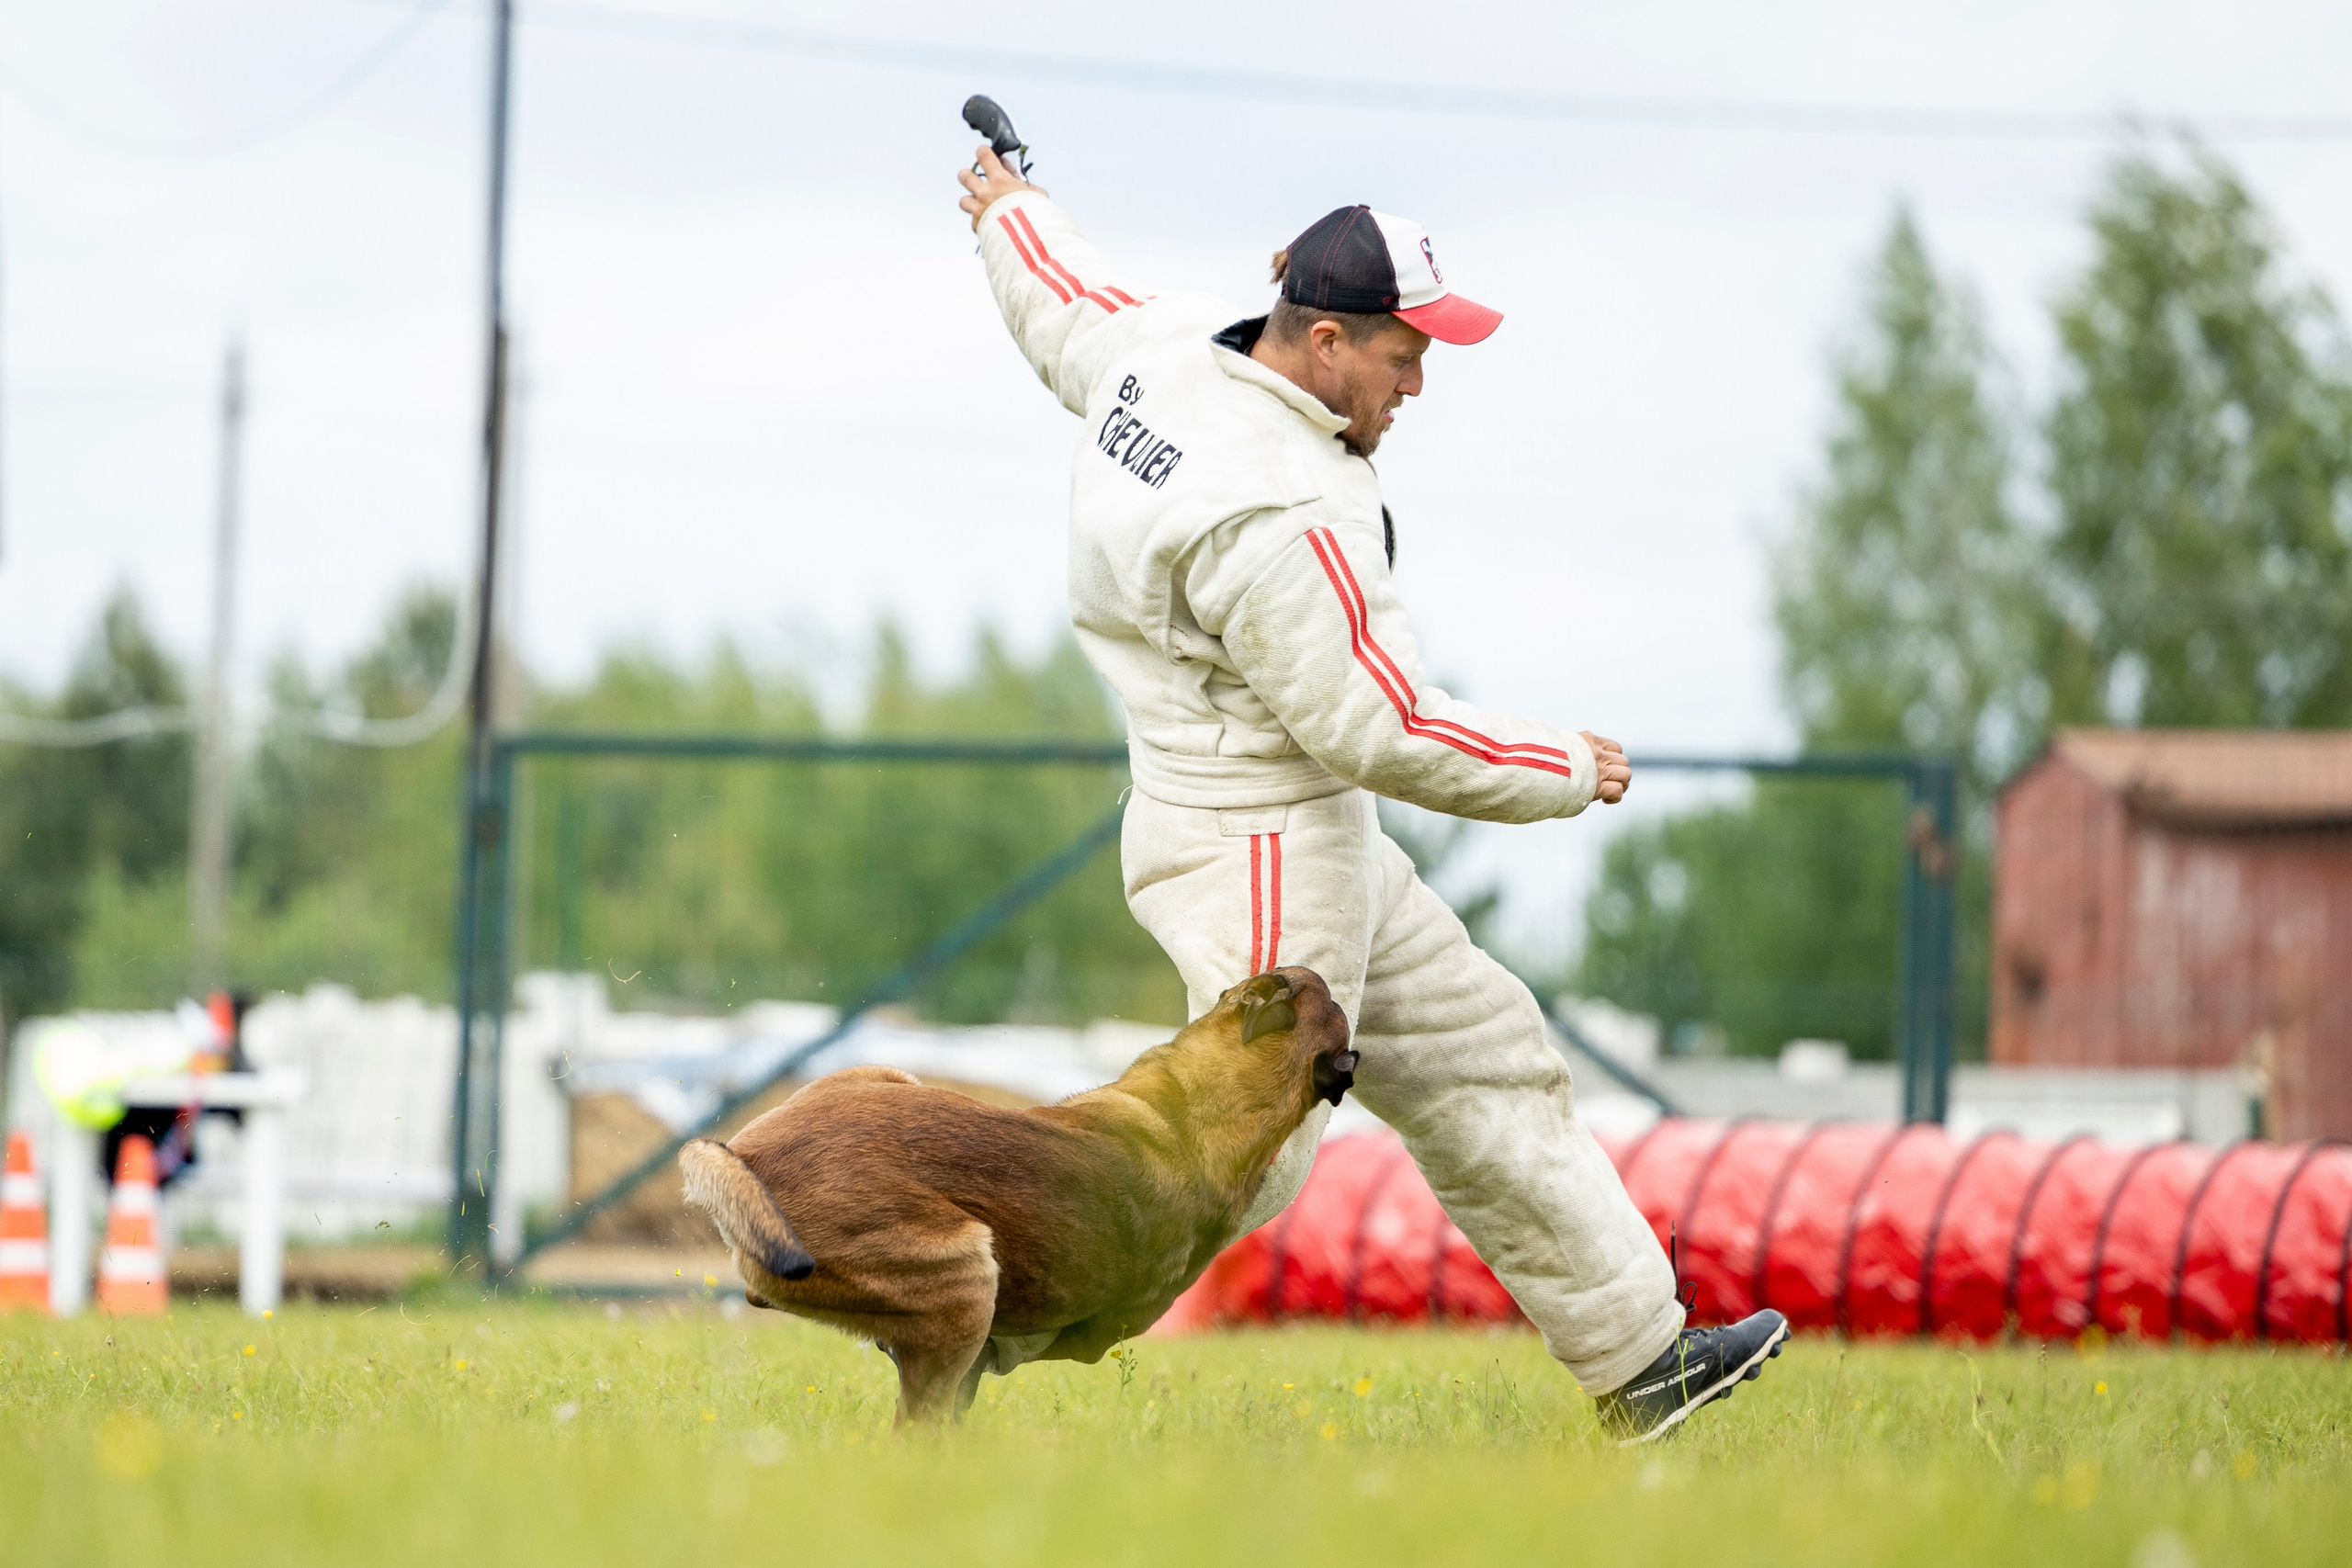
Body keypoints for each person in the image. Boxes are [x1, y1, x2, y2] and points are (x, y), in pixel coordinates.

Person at [956, 145, 1784, 1442]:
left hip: (1279, 824)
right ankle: (977, 1306)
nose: (1415, 388)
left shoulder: (1168, 351)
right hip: (1264, 845)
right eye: (1404, 360)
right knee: (1246, 1162)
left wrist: (1011, 207)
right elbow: (1383, 727)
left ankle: (1643, 1359)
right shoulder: (1285, 513)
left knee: (1486, 1064)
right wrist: (1566, 764)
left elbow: (1062, 291)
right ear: (1325, 338)